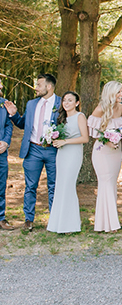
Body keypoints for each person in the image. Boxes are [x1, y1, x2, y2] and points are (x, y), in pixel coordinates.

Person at [4, 73, 60, 232]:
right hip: (33, 149)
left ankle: (54, 219)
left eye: (39, 85)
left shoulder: (61, 103)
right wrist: (14, 115)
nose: (36, 88)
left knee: (54, 186)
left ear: (48, 87)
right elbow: (23, 124)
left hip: (53, 151)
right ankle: (28, 219)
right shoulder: (31, 104)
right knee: (30, 186)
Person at [47, 91, 89, 233]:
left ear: (77, 103)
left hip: (73, 154)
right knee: (60, 186)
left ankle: (70, 225)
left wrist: (66, 141)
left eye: (70, 100)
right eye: (64, 100)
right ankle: (58, 223)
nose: (66, 103)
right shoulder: (62, 118)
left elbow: (85, 138)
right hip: (62, 154)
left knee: (68, 186)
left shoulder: (80, 116)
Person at [88, 81, 122, 232]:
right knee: (105, 183)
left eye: (121, 92)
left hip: (116, 152)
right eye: (118, 92)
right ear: (110, 93)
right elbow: (94, 131)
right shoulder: (100, 109)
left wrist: (121, 146)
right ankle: (108, 224)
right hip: (101, 151)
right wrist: (108, 141)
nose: (121, 95)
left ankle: (109, 222)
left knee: (112, 185)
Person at [0, 78, 15, 230]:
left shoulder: (4, 104)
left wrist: (5, 141)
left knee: (0, 185)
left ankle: (1, 218)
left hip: (1, 152)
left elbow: (8, 125)